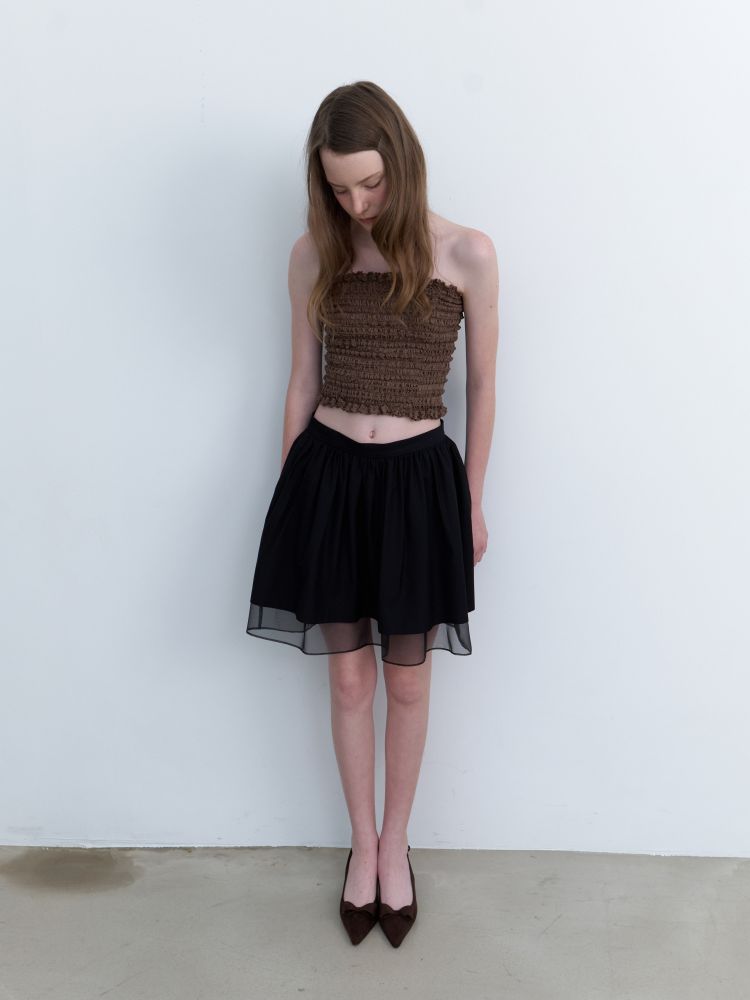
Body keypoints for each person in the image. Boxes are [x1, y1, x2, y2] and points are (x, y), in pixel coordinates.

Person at [245, 81, 498, 947]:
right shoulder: (312, 255)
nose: (356, 204)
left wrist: (472, 502)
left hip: (418, 485)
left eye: (370, 183)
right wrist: (290, 495)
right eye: (339, 187)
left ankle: (398, 844)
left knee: (408, 678)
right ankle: (362, 846)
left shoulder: (467, 252)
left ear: (403, 162)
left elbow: (483, 386)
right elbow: (301, 381)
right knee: (348, 677)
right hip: (328, 477)